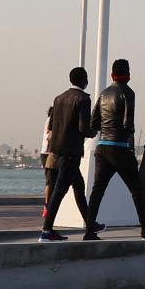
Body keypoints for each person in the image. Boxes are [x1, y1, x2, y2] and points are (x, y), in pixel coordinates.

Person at [87, 59, 145, 238]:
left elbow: (93, 123)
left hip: (102, 147)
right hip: (120, 148)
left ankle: (89, 229)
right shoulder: (127, 93)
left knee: (97, 191)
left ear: (112, 74)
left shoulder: (103, 93)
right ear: (128, 74)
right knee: (136, 189)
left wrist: (107, 129)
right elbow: (128, 124)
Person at [40, 67, 101, 242]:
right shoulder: (83, 99)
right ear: (84, 80)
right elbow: (83, 127)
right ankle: (46, 230)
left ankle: (91, 225)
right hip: (71, 151)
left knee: (79, 188)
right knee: (60, 191)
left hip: (57, 150)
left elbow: (54, 125)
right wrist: (92, 132)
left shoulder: (58, 98)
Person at [40, 107, 55, 222]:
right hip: (49, 153)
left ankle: (48, 206)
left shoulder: (50, 118)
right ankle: (47, 206)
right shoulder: (53, 119)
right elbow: (50, 135)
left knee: (51, 181)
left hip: (47, 153)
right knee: (50, 181)